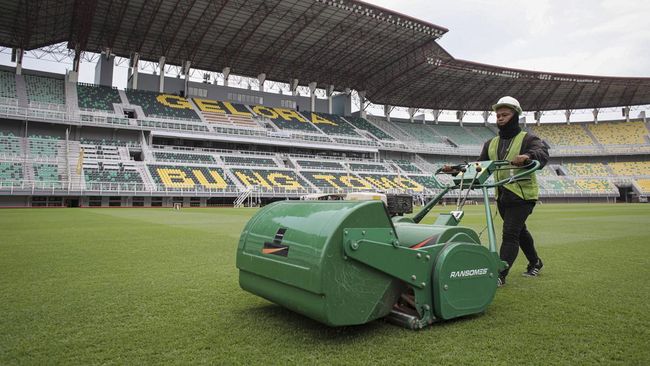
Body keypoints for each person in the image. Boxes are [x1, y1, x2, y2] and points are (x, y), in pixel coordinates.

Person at [479, 96, 549, 286]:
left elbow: (542, 154)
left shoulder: (528, 139)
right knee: (520, 232)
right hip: (502, 196)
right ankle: (535, 262)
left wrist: (527, 156)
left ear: (516, 116)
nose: (500, 118)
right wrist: (457, 170)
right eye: (498, 115)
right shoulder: (490, 144)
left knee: (510, 233)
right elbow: (481, 167)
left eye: (505, 115)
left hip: (523, 195)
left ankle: (499, 275)